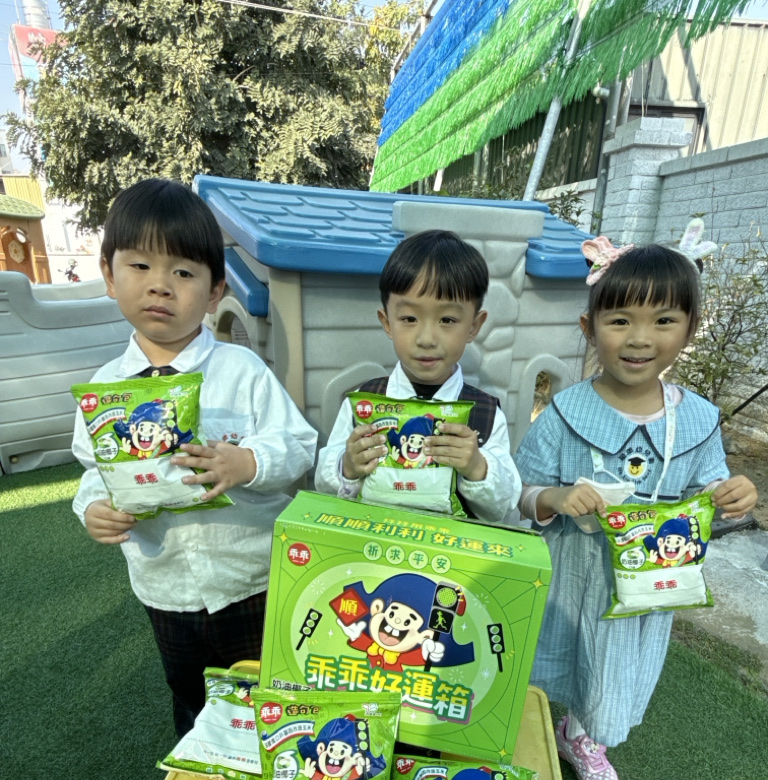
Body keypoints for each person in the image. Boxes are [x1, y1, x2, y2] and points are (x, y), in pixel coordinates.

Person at [514, 231, 757, 780]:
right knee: (551, 656)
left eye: (663, 321)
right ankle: (527, 726)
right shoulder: (565, 412)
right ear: (589, 327)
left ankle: (583, 737)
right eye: (620, 320)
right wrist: (554, 498)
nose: (640, 338)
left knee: (610, 672)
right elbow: (518, 491)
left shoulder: (697, 419)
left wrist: (727, 494)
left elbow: (706, 490)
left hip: (645, 586)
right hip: (569, 576)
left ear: (690, 329)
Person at [71, 179, 317, 737]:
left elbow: (297, 444)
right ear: (109, 274)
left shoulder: (240, 370)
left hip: (254, 579)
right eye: (140, 266)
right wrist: (93, 509)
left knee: (275, 694)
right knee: (193, 700)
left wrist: (247, 462)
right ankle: (199, 762)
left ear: (213, 292)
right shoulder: (103, 389)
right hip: (166, 589)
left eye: (183, 272)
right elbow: (93, 471)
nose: (160, 285)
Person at [315, 229, 521, 521]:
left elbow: (502, 506)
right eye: (409, 318)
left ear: (474, 326)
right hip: (371, 544)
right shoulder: (363, 403)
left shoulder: (485, 413)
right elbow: (324, 486)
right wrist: (347, 467)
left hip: (450, 549)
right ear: (387, 322)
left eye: (447, 319)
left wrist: (477, 467)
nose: (426, 339)